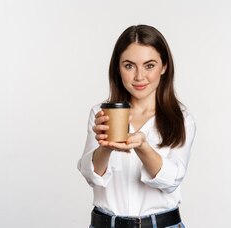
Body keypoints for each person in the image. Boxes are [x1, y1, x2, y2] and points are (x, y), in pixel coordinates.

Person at [77, 24, 196, 228]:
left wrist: (143, 147)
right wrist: (105, 145)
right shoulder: (101, 114)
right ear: (118, 67)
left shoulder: (182, 119)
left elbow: (171, 181)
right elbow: (91, 176)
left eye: (149, 65)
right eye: (129, 65)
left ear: (164, 66)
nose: (139, 76)